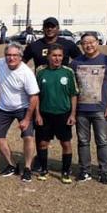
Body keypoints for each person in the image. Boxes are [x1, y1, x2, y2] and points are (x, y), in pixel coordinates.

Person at [70, 33, 107, 184]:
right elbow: (73, 87)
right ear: (81, 45)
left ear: (97, 42)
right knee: (83, 141)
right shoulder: (76, 63)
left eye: (92, 42)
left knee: (102, 141)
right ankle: (85, 170)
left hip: (100, 109)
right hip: (81, 110)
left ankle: (104, 171)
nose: (89, 45)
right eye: (85, 43)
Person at [0, 44, 40, 182]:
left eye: (15, 55)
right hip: (3, 107)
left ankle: (27, 168)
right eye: (8, 55)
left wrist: (26, 119)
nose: (11, 58)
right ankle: (12, 164)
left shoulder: (26, 73)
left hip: (23, 107)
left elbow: (34, 97)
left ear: (20, 57)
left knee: (28, 137)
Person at [34, 45, 79, 183]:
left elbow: (73, 94)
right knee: (42, 143)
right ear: (48, 56)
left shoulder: (68, 72)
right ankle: (43, 169)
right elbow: (35, 94)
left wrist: (72, 114)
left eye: (60, 55)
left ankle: (65, 171)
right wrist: (37, 115)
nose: (57, 58)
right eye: (54, 55)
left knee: (65, 143)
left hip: (63, 114)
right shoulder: (40, 71)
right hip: (45, 114)